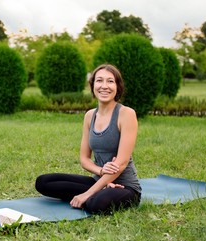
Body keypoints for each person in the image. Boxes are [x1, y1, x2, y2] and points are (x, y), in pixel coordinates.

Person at [35, 64, 141, 214]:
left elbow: (121, 163)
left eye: (110, 81)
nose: (104, 86)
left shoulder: (126, 114)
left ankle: (95, 195)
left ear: (118, 86)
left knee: (95, 203)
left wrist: (87, 193)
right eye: (99, 81)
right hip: (100, 182)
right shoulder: (90, 116)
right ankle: (100, 191)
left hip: (126, 187)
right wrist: (101, 171)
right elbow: (84, 159)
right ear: (93, 86)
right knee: (44, 182)